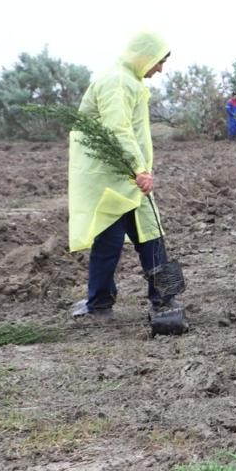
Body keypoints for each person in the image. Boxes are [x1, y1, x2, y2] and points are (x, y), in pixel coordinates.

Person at [68, 32, 174, 318]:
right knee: (120, 238)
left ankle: (151, 299)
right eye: (158, 62)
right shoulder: (117, 82)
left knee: (144, 234)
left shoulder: (127, 80)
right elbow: (119, 130)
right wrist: (138, 169)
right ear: (144, 56)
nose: (159, 69)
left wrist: (139, 168)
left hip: (123, 176)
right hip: (115, 178)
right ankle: (107, 303)